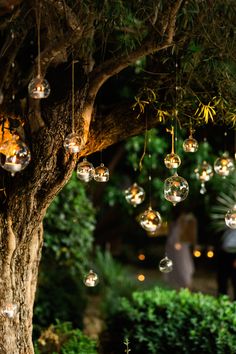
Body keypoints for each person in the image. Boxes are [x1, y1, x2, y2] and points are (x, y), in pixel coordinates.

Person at [165, 212, 197, 289]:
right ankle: (180, 285)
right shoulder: (176, 226)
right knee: (178, 268)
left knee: (184, 267)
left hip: (182, 250)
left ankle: (186, 285)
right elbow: (171, 240)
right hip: (175, 252)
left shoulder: (185, 223)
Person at [217, 228, 236, 300]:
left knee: (234, 279)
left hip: (234, 254)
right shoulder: (227, 227)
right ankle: (222, 299)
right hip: (225, 254)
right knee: (222, 279)